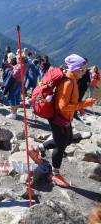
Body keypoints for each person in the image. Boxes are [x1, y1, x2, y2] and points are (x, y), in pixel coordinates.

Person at [29, 54, 96, 188]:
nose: (85, 73)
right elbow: (63, 106)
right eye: (82, 70)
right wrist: (85, 104)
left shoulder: (72, 78)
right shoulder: (68, 83)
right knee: (60, 145)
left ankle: (36, 149)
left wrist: (79, 108)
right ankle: (54, 174)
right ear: (75, 68)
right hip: (59, 118)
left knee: (68, 140)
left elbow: (70, 100)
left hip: (65, 117)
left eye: (85, 70)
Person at [4, 54, 29, 119]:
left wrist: (10, 71)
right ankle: (15, 112)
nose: (16, 60)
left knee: (12, 97)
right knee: (17, 97)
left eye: (17, 59)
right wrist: (7, 64)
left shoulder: (21, 66)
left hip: (15, 83)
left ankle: (13, 114)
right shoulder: (23, 66)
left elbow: (14, 75)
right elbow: (13, 67)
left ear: (20, 60)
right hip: (20, 83)